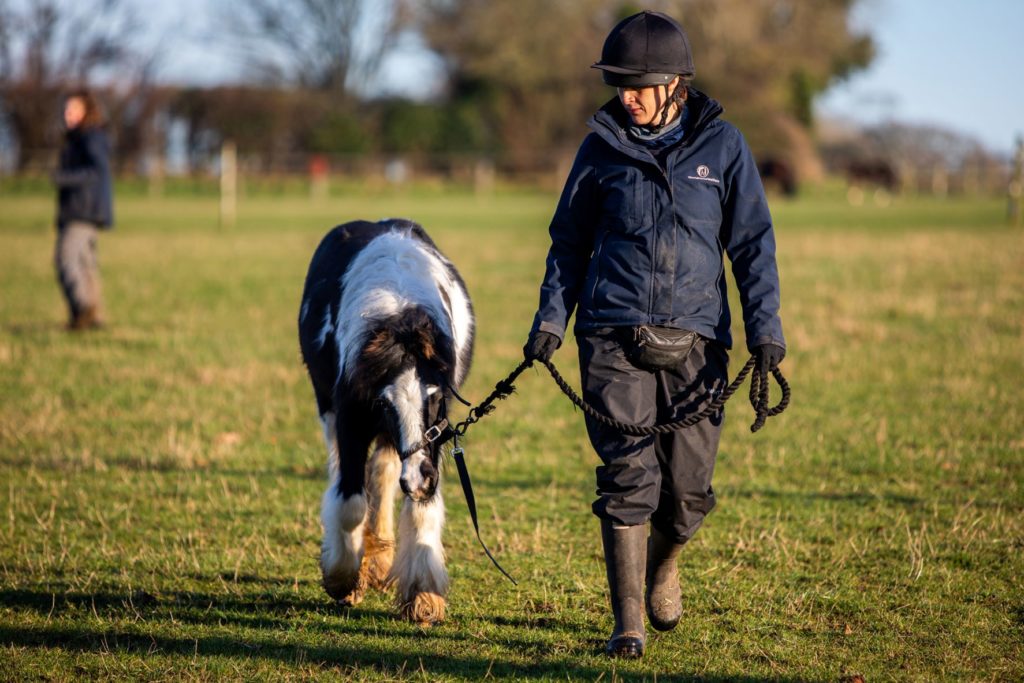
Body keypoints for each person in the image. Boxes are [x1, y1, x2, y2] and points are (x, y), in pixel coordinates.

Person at [523, 11, 786, 658]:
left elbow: (752, 245)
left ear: (676, 84)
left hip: (700, 343)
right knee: (627, 479)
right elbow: (568, 243)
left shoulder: (725, 149)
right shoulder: (599, 148)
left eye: (639, 85)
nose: (627, 97)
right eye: (621, 85)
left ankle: (665, 564)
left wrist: (766, 332)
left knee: (689, 495)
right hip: (611, 334)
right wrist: (551, 320)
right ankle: (629, 622)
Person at [53, 89, 113, 330]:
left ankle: (83, 311)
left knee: (65, 258)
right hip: (87, 208)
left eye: (73, 109)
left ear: (87, 112)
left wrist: (64, 178)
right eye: (66, 109)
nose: (67, 114)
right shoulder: (81, 137)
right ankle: (93, 316)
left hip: (83, 209)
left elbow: (96, 171)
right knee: (86, 262)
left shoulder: (90, 138)